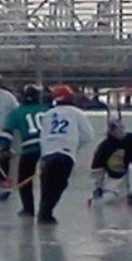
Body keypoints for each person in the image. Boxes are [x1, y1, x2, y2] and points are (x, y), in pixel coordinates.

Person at [36, 85, 94, 224]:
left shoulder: (48, 114)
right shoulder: (77, 113)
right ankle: (47, 213)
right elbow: (88, 135)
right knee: (59, 184)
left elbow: (42, 136)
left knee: (46, 185)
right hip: (66, 154)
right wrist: (74, 145)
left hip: (48, 154)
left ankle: (43, 212)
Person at [3, 84, 50, 217]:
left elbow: (7, 133)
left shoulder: (16, 113)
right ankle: (45, 209)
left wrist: (4, 147)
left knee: (24, 178)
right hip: (47, 148)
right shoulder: (47, 110)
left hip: (29, 149)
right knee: (47, 179)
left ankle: (28, 209)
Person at [89, 119, 132, 206]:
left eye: (120, 128)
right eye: (115, 129)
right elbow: (97, 168)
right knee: (110, 197)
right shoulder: (105, 147)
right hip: (116, 176)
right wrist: (98, 186)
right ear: (111, 131)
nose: (119, 131)